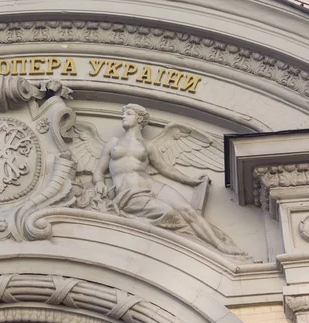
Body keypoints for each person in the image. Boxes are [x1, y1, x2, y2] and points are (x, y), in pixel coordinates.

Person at [92, 104, 244, 255]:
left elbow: (165, 168)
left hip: (150, 184)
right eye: (123, 114)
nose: (123, 116)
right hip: (130, 193)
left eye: (128, 113)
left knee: (188, 210)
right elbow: (99, 171)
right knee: (170, 213)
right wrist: (99, 182)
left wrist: (189, 180)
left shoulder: (147, 145)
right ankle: (194, 244)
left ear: (139, 118)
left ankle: (220, 245)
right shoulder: (113, 143)